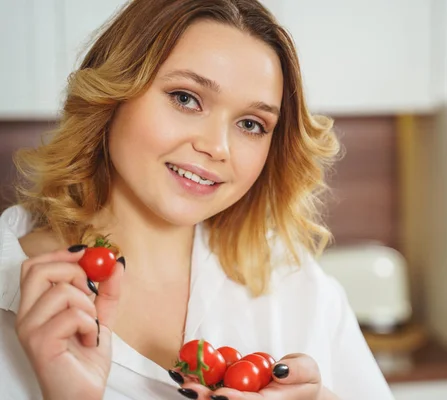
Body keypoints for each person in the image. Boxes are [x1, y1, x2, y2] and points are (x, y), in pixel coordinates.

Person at [0, 0, 395, 399]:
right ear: (114, 92)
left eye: (250, 124)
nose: (217, 147)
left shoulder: (299, 286)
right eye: (186, 98)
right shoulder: (11, 285)